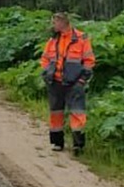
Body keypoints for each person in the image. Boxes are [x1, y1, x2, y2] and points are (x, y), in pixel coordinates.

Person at [40, 12, 95, 154]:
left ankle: (78, 145)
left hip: (75, 83)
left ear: (63, 22)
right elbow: (45, 58)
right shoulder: (53, 40)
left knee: (77, 113)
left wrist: (82, 80)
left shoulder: (81, 39)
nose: (53, 25)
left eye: (55, 22)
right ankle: (57, 143)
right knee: (56, 113)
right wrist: (47, 73)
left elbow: (89, 61)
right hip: (55, 82)